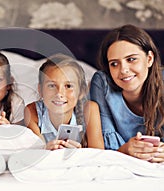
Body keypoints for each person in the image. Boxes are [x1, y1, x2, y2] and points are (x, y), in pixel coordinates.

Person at [90, 24, 164, 162]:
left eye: (131, 59)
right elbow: (102, 150)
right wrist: (124, 150)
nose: (123, 70)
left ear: (149, 59)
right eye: (114, 64)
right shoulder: (102, 83)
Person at [24, 54, 104, 150]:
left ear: (81, 91)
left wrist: (79, 154)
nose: (59, 93)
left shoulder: (90, 110)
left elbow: (98, 154)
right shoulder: (32, 112)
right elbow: (36, 154)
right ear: (40, 90)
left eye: (68, 86)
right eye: (52, 86)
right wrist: (46, 150)